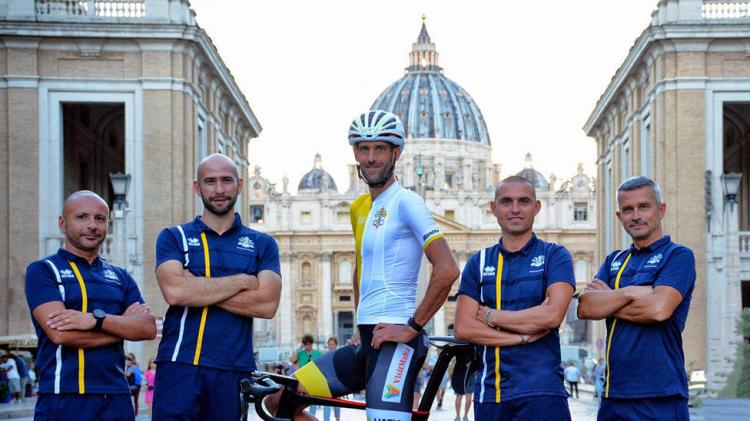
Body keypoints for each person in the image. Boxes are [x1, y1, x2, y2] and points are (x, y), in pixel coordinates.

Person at [269, 110, 460, 421]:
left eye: (380, 148)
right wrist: (360, 324)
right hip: (367, 339)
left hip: (398, 340)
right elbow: (360, 269)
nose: (371, 157)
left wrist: (411, 327)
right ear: (355, 154)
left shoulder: (407, 202)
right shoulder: (360, 208)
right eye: (363, 148)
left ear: (395, 153)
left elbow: (448, 268)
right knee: (279, 403)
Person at [152, 153, 282, 420]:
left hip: (233, 369)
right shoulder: (173, 237)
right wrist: (243, 281)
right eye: (210, 182)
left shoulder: (262, 244)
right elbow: (174, 292)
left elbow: (267, 304)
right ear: (197, 187)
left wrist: (195, 287)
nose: (219, 189)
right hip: (179, 364)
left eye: (227, 181)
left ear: (240, 185)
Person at [24, 190, 156, 421]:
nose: (92, 225)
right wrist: (123, 326)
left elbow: (147, 329)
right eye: (82, 217)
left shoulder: (120, 276)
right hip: (63, 396)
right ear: (62, 223)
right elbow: (60, 335)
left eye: (100, 219)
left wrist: (96, 320)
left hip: (117, 398)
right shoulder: (43, 271)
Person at [454, 176, 575, 420]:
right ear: (494, 209)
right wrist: (520, 337)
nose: (515, 209)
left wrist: (490, 315)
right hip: (492, 393)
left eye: (524, 201)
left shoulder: (556, 255)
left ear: (537, 207)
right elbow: (464, 328)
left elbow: (552, 316)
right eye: (507, 201)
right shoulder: (478, 262)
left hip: (544, 392)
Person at [578, 176, 696, 421]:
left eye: (644, 207)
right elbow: (585, 307)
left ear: (660, 210)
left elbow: (658, 310)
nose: (636, 215)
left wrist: (608, 302)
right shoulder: (614, 261)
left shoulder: (678, 256)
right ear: (620, 217)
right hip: (614, 396)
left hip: (661, 395)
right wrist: (631, 292)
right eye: (627, 210)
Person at [290, 335, 322, 415]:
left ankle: (311, 417)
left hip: (314, 380)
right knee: (302, 401)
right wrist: (299, 348)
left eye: (309, 344)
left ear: (312, 344)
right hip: (303, 380)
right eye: (306, 344)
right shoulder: (301, 353)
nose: (308, 346)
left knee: (312, 401)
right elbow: (292, 360)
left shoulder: (318, 353)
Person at [450, 345, 477, 421]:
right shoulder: (474, 343)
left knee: (459, 394)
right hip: (471, 371)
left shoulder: (460, 341)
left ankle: (458, 416)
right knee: (469, 394)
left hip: (460, 370)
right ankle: (465, 416)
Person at [321, 337, 341, 421]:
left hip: (337, 383)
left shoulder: (340, 355)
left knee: (337, 406)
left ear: (336, 345)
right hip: (327, 384)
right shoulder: (324, 356)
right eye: (329, 344)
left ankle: (338, 419)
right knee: (326, 406)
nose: (331, 346)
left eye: (332, 344)